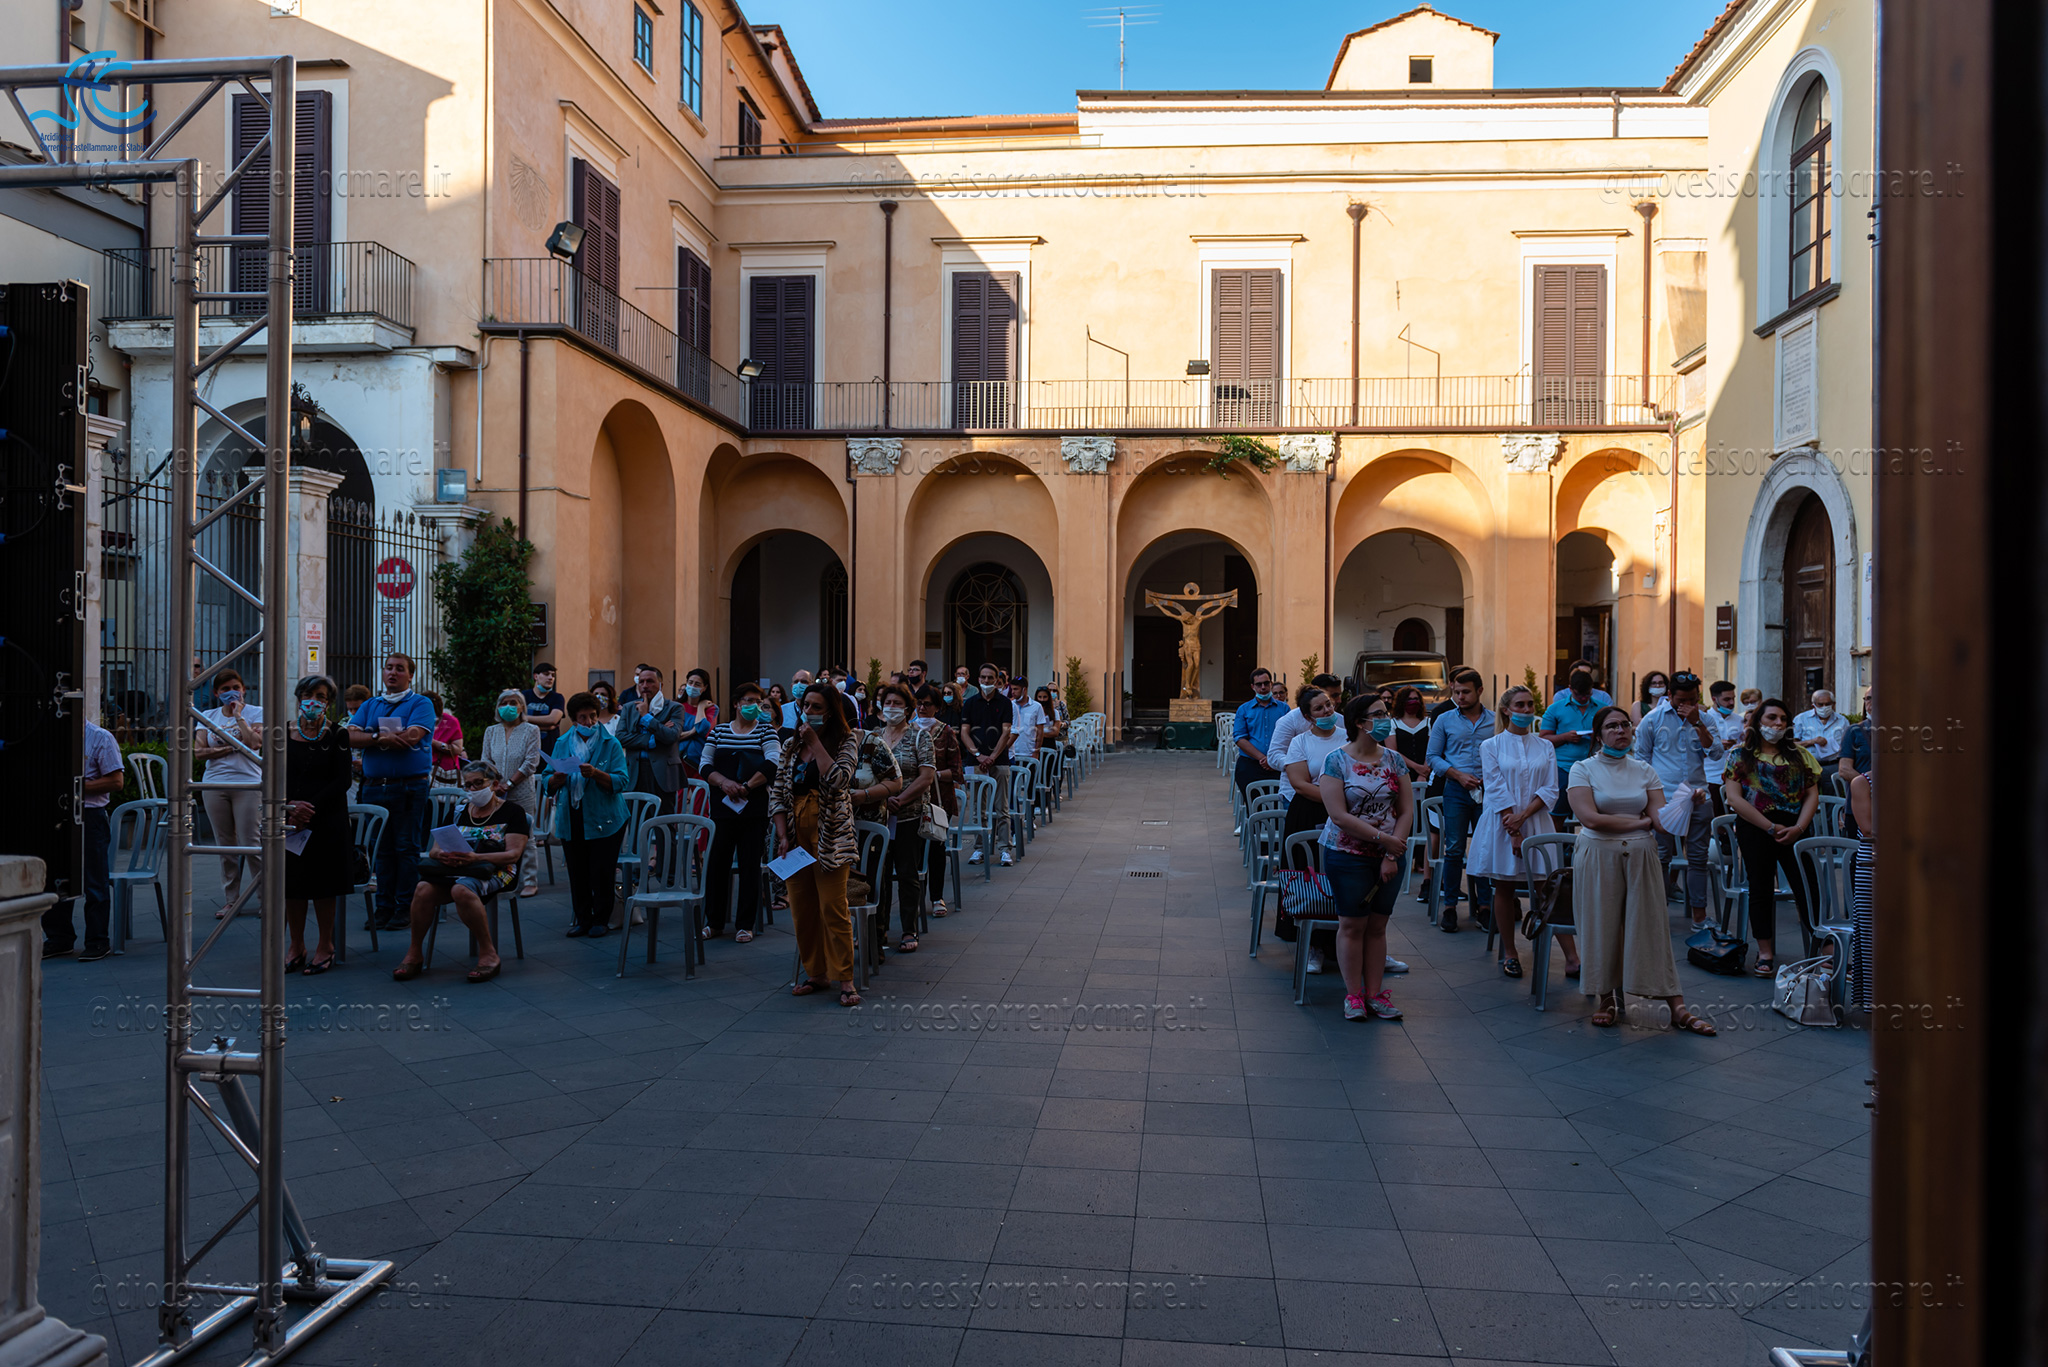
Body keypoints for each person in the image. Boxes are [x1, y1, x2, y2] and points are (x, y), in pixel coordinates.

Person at [1568, 707, 1716, 1034]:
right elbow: (1590, 819)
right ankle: (1606, 998)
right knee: (1602, 926)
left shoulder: (1644, 770)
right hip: (1599, 854)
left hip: (1641, 854)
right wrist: (1640, 823)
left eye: (1625, 724)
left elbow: (1661, 822)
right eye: (1611, 726)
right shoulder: (1582, 769)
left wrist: (1686, 803)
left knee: (1652, 927)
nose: (1620, 730)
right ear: (1598, 735)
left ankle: (1677, 1006)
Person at [1316, 693, 1415, 1021]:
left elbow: (1406, 810)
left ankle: (1375, 994)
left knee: (1378, 926)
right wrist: (1385, 841)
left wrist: (1392, 852)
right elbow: (1339, 816)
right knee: (1352, 924)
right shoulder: (1336, 761)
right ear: (1360, 722)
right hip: (1347, 854)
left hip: (1390, 854)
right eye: (1378, 714)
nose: (1385, 720)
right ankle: (1353, 995)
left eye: (1386, 713)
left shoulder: (1394, 760)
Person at [1471, 685, 1575, 979]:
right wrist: (1514, 829)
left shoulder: (1545, 746)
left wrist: (1524, 817)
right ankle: (1510, 952)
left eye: (1530, 704)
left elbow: (1551, 788)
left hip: (1536, 821)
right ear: (1506, 710)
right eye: (1520, 705)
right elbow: (1495, 787)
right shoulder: (1491, 745)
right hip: (1502, 823)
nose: (1527, 710)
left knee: (1547, 887)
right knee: (1504, 886)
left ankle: (1572, 957)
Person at [771, 684, 864, 1007]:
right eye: (805, 705)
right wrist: (782, 835)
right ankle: (817, 973)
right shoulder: (790, 744)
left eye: (816, 707)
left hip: (831, 836)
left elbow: (839, 780)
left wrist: (815, 744)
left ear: (831, 712)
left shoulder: (847, 741)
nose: (808, 712)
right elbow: (778, 791)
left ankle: (845, 978)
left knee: (832, 907)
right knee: (802, 908)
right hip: (795, 834)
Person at [393, 759, 526, 983]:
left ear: (494, 784)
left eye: (478, 783)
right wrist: (443, 855)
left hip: (496, 870)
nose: (472, 789)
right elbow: (435, 849)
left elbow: (513, 855)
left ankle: (488, 953)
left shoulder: (512, 812)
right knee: (423, 889)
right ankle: (414, 953)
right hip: (457, 869)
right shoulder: (458, 812)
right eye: (468, 785)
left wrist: (476, 858)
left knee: (461, 890)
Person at [1723, 699, 1820, 978]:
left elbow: (1812, 794)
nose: (1778, 723)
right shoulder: (1740, 755)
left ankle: (1824, 947)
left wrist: (1799, 828)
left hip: (1796, 827)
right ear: (1758, 722)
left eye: (1783, 719)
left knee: (1807, 885)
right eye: (1772, 718)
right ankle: (1765, 952)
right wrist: (1769, 827)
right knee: (1760, 887)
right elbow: (1734, 798)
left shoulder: (1800, 755)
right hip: (1756, 827)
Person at [347, 653, 437, 932]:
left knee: (406, 848)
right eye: (389, 668)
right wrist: (378, 737)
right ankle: (383, 908)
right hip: (374, 788)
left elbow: (411, 737)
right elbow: (349, 736)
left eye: (400, 669)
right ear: (383, 672)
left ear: (410, 675)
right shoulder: (371, 704)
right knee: (381, 850)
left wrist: (370, 737)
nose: (393, 672)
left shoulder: (420, 703)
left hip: (408, 787)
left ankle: (405, 907)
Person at [1631, 670, 1723, 934]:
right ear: (1669, 695)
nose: (1687, 705)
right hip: (1664, 798)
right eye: (1682, 700)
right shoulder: (1653, 719)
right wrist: (1648, 798)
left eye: (1692, 700)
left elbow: (1716, 753)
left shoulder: (1704, 718)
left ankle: (1699, 917)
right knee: (1660, 857)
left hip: (1698, 796)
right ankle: (1657, 916)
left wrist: (1698, 723)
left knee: (1698, 858)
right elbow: (1641, 759)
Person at [701, 681, 781, 942]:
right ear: (736, 704)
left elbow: (772, 763)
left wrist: (747, 786)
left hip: (753, 810)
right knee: (717, 865)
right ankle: (713, 922)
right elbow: (705, 764)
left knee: (749, 865)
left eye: (758, 702)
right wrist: (724, 783)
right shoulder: (719, 731)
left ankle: (745, 923)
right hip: (723, 809)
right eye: (748, 701)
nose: (753, 706)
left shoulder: (766, 732)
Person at [283, 674, 352, 975]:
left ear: (328, 703)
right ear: (299, 698)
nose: (313, 701)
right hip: (290, 821)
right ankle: (296, 945)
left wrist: (308, 808)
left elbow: (343, 779)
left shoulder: (338, 735)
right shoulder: (281, 733)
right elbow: (272, 774)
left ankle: (326, 945)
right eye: (309, 695)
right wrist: (291, 807)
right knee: (292, 886)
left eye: (321, 697)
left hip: (326, 819)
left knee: (325, 886)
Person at [547, 693, 631, 937]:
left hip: (606, 816)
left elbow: (622, 780)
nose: (589, 722)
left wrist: (596, 773)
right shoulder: (563, 742)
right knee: (577, 870)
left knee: (602, 870)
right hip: (572, 813)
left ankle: (601, 919)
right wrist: (556, 778)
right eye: (582, 717)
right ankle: (582, 919)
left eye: (593, 716)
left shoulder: (610, 743)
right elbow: (546, 777)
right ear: (574, 720)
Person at [42, 716, 123, 961]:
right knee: (54, 877)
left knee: (94, 880)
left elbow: (116, 781)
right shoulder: (50, 737)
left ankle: (97, 940)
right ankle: (59, 938)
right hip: (56, 814)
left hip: (90, 815)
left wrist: (74, 787)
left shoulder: (100, 737)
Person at [1279, 686, 1347, 975]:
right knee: (1313, 877)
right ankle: (1314, 946)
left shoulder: (1349, 736)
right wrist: (1338, 802)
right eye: (1319, 709)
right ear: (1308, 717)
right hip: (1311, 812)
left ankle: (1355, 944)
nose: (1327, 711)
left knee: (1346, 876)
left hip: (1348, 814)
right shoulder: (1300, 742)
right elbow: (1300, 783)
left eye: (1328, 705)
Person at [1425, 667, 1494, 933]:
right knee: (1454, 848)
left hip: (1488, 791)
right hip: (1456, 789)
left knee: (1485, 847)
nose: (1461, 697)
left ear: (1480, 691)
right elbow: (1433, 757)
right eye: (1456, 692)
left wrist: (1492, 776)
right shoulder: (1444, 719)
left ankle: (1484, 907)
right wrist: (1457, 774)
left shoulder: (1494, 720)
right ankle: (1450, 907)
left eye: (1466, 692)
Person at [194, 666, 264, 918]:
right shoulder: (207, 715)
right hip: (215, 785)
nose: (231, 692)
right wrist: (234, 747)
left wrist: (239, 716)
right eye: (225, 689)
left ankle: (265, 898)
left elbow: (255, 743)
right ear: (216, 693)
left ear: (244, 689)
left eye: (236, 688)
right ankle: (231, 900)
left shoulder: (256, 712)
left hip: (248, 784)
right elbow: (199, 752)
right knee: (225, 847)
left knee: (251, 843)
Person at [871, 682, 935, 954]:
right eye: (888, 703)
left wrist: (901, 799)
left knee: (907, 873)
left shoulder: (920, 737)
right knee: (878, 875)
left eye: (897, 703)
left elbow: (926, 776)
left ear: (908, 708)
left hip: (908, 815)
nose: (892, 708)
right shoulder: (873, 737)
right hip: (877, 817)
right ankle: (878, 930)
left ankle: (909, 928)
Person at [482, 688, 545, 897]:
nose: (508, 707)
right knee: (497, 833)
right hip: (496, 791)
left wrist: (509, 783)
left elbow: (531, 762)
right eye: (504, 703)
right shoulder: (491, 731)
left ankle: (529, 881)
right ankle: (501, 878)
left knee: (526, 834)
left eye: (513, 703)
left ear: (521, 707)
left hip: (522, 790)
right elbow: (486, 760)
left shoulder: (531, 730)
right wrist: (495, 783)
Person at [914, 686, 964, 917]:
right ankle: (914, 899)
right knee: (912, 851)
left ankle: (936, 897)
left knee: (935, 849)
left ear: (936, 707)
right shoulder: (907, 730)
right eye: (919, 703)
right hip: (911, 800)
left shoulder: (945, 732)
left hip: (938, 801)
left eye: (927, 704)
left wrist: (933, 774)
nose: (922, 708)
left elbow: (956, 772)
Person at [960, 663, 1016, 867]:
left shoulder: (1005, 703)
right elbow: (964, 732)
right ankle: (979, 848)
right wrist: (978, 755)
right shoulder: (970, 703)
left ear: (997, 680)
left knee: (1002, 807)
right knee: (977, 808)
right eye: (983, 677)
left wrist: (992, 756)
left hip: (999, 761)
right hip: (975, 762)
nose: (986, 681)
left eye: (990, 678)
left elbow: (1006, 732)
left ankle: (1004, 849)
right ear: (978, 679)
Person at [615, 663, 684, 811]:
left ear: (661, 685)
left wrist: (646, 716)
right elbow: (620, 737)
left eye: (650, 681)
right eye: (641, 682)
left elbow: (671, 736)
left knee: (663, 820)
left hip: (662, 774)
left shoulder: (674, 708)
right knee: (635, 819)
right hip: (635, 772)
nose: (645, 685)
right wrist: (653, 739)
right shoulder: (629, 708)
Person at [1387, 685, 1434, 895]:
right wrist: (1416, 768)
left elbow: (1432, 748)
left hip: (1426, 776)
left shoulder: (1428, 723)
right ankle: (1403, 856)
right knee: (1406, 816)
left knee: (1425, 818)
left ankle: (1422, 861)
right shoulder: (1394, 723)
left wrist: (1425, 770)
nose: (1413, 702)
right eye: (1409, 699)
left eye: (1416, 699)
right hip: (1403, 775)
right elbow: (1393, 751)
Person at [1539, 667, 1604, 818]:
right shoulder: (1555, 709)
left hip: (1595, 768)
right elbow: (1543, 740)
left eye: (1587, 694)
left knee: (1595, 814)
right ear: (1570, 689)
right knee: (1557, 815)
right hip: (1563, 768)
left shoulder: (1602, 709)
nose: (1583, 698)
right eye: (1578, 694)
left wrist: (1599, 735)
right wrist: (1565, 737)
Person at [1231, 667, 1286, 807]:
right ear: (1252, 687)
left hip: (1278, 765)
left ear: (1271, 684)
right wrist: (1262, 758)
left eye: (1266, 683)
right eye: (1259, 684)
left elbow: (1291, 735)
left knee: (1279, 805)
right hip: (1251, 764)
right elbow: (1239, 738)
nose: (1263, 687)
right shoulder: (1244, 709)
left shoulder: (1284, 709)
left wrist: (1273, 760)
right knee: (1255, 805)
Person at [1850, 765, 1874, 1012]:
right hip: (1873, 861)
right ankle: (1873, 999)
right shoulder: (1862, 782)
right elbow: (1868, 829)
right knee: (1870, 931)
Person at [1704, 680, 1746, 814]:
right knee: (1714, 815)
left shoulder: (1739, 720)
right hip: (1711, 777)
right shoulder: (1704, 719)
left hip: (1735, 777)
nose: (1732, 703)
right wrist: (1715, 745)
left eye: (1733, 698)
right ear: (1714, 699)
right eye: (1727, 699)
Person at [676, 667, 718, 774]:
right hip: (677, 760)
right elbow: (671, 734)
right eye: (690, 682)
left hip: (698, 762)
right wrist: (692, 732)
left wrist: (701, 707)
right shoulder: (676, 706)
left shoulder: (711, 708)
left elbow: (702, 729)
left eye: (697, 684)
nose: (693, 686)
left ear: (705, 688)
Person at [1793, 689, 1849, 768]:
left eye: (1827, 704)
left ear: (1833, 704)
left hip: (1834, 765)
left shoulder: (1842, 721)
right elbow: (1791, 745)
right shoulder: (1801, 719)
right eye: (1820, 704)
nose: (1824, 707)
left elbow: (1848, 745)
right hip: (1808, 766)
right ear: (1814, 705)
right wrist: (1812, 741)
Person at [522, 663, 567, 754]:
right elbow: (516, 721)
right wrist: (547, 726)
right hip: (526, 749)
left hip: (549, 751)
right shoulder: (524, 696)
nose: (550, 678)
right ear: (536, 676)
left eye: (553, 675)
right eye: (546, 674)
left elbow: (553, 719)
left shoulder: (557, 698)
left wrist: (524, 718)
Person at [427, 691, 464, 785]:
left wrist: (434, 742)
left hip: (444, 773)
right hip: (422, 770)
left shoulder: (451, 722)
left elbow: (458, 749)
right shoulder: (418, 721)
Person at [1839, 689, 1875, 782]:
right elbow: (1844, 769)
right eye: (1868, 698)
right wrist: (1868, 784)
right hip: (1865, 789)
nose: (1872, 702)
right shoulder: (1854, 731)